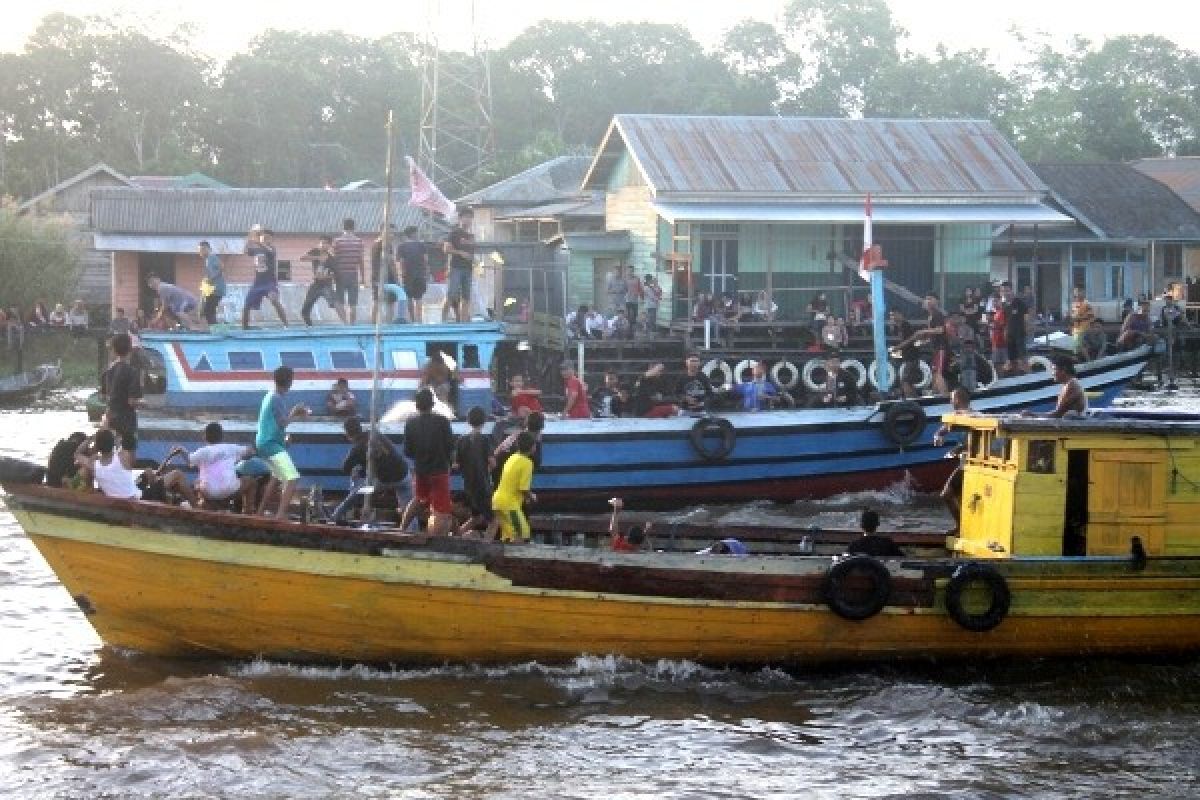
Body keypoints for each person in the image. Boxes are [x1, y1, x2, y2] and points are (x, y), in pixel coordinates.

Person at [331, 416, 410, 525]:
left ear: (348, 434)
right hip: (404, 475)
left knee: (357, 491)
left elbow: (345, 468)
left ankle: (336, 515)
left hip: (383, 481)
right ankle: (412, 530)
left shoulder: (357, 448)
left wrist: (357, 471)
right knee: (408, 510)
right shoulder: (374, 433)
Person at [255, 366, 311, 518]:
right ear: (289, 382)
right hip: (270, 444)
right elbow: (282, 423)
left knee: (276, 477)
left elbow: (273, 424)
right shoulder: (276, 398)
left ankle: (259, 513)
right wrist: (295, 412)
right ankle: (279, 516)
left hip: (265, 442)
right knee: (293, 478)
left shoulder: (270, 395)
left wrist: (284, 438)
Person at [161, 422, 256, 510]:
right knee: (251, 482)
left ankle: (204, 506)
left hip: (209, 493)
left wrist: (182, 450)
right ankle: (248, 512)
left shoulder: (203, 451)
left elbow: (189, 461)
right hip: (230, 491)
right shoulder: (231, 447)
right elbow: (250, 452)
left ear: (205, 437)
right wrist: (254, 449)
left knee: (197, 483)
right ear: (222, 436)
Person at [401, 387, 455, 536]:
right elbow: (450, 447)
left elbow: (408, 451)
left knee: (419, 499)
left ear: (417, 405)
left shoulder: (410, 423)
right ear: (432, 404)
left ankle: (402, 528)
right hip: (440, 471)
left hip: (421, 470)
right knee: (441, 509)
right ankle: (435, 539)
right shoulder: (442, 421)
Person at [933, 388, 972, 533]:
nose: (950, 402)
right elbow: (944, 429)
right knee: (960, 497)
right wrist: (938, 436)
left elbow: (976, 441)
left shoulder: (973, 417)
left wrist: (959, 448)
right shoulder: (957, 416)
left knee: (947, 494)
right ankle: (963, 526)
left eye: (951, 399)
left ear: (957, 400)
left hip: (970, 464)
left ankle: (961, 526)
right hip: (964, 463)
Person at [897, 294, 949, 395]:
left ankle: (945, 398)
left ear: (936, 301)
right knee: (935, 374)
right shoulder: (930, 316)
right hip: (936, 348)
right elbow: (932, 335)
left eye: (930, 298)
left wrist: (922, 332)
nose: (928, 301)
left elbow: (940, 330)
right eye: (926, 299)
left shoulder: (937, 314)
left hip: (941, 348)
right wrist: (922, 341)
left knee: (938, 374)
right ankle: (936, 395)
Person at [453, 406, 493, 535]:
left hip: (468, 485)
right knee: (494, 519)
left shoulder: (461, 440)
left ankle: (456, 535)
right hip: (483, 485)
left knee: (476, 517)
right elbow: (492, 462)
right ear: (484, 421)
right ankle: (487, 545)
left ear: (468, 421)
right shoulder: (485, 440)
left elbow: (456, 465)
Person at [491, 431, 536, 543]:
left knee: (508, 536)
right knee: (522, 534)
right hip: (509, 504)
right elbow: (523, 488)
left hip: (497, 501)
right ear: (532, 447)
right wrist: (532, 496)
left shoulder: (512, 457)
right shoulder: (527, 463)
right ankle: (518, 560)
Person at [242, 227, 288, 328]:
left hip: (269, 282)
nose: (265, 239)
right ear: (260, 237)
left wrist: (258, 241)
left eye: (268, 238)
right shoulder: (256, 250)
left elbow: (269, 250)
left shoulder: (271, 249)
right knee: (247, 305)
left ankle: (286, 325)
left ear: (271, 240)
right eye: (264, 237)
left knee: (274, 300)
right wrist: (249, 239)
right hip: (257, 282)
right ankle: (245, 328)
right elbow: (245, 251)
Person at [74, 429, 140, 499]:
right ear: (113, 443)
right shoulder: (124, 456)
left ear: (97, 447)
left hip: (113, 505)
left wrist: (90, 439)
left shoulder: (93, 465)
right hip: (133, 502)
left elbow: (77, 453)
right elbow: (129, 446)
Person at [101, 332, 142, 444]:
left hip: (111, 419)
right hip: (126, 422)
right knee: (127, 454)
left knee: (112, 452)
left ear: (114, 349)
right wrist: (143, 404)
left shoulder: (107, 371)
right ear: (130, 350)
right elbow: (132, 401)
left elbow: (105, 397)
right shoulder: (132, 372)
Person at [442, 208, 475, 323]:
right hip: (456, 267)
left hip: (468, 268)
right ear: (460, 218)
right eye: (466, 217)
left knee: (466, 297)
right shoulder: (454, 233)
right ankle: (443, 321)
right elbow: (446, 249)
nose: (469, 220)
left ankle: (463, 322)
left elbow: (472, 252)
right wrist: (460, 253)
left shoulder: (471, 236)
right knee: (451, 295)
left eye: (470, 217)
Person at [300, 234, 341, 326]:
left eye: (326, 243)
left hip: (326, 284)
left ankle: (345, 323)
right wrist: (317, 258)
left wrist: (327, 276)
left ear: (329, 245)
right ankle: (309, 326)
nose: (323, 245)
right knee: (305, 310)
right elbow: (302, 258)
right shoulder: (315, 252)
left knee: (334, 303)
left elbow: (335, 274)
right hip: (315, 285)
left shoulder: (331, 259)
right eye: (321, 243)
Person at [370, 225, 407, 325]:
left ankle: (374, 324)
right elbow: (391, 263)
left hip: (376, 276)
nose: (392, 235)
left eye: (393, 233)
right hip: (385, 276)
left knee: (378, 301)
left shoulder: (375, 244)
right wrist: (397, 279)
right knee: (387, 302)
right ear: (382, 231)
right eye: (390, 232)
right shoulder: (384, 244)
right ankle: (388, 324)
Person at [333, 218, 366, 324]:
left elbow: (334, 259)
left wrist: (333, 275)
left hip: (340, 275)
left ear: (343, 227)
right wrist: (363, 278)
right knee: (353, 303)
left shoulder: (337, 241)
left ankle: (345, 324)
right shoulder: (359, 241)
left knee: (340, 301)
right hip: (353, 274)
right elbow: (360, 260)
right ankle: (352, 325)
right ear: (354, 227)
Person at [887, 310, 921, 398]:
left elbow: (910, 340)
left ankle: (911, 401)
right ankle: (915, 400)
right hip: (910, 357)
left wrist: (897, 348)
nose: (892, 317)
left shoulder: (905, 325)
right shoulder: (900, 327)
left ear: (900, 315)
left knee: (905, 381)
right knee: (909, 382)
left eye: (894, 314)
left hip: (912, 358)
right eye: (891, 316)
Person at [397, 225, 428, 323]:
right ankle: (419, 320)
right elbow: (425, 260)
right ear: (413, 234)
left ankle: (413, 319)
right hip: (420, 274)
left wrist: (402, 273)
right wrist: (426, 272)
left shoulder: (401, 246)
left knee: (409, 297)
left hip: (408, 275)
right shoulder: (421, 245)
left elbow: (401, 261)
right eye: (416, 232)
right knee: (418, 298)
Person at [1000, 281, 1028, 375]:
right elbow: (1004, 320)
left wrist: (1027, 329)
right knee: (1012, 359)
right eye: (1003, 291)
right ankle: (1016, 378)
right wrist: (1005, 331)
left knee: (1022, 358)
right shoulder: (1004, 305)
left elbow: (1026, 318)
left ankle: (1028, 377)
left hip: (1020, 334)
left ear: (1012, 291)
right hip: (1009, 335)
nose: (1005, 293)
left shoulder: (1019, 303)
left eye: (1007, 291)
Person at [198, 240, 226, 325]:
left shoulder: (211, 257)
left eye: (202, 249)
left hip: (216, 289)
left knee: (208, 311)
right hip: (212, 289)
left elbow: (221, 267)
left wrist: (211, 279)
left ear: (208, 249)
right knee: (209, 311)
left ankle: (214, 329)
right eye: (199, 250)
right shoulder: (208, 260)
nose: (200, 252)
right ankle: (213, 328)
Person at [1069, 288, 1096, 359]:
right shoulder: (1074, 304)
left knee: (1079, 346)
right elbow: (1073, 316)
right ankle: (1080, 360)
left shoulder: (1087, 304)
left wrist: (1079, 318)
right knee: (1077, 346)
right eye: (1075, 293)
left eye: (1078, 292)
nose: (1076, 295)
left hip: (1084, 329)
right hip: (1075, 329)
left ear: (1082, 293)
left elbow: (1091, 316)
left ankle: (1087, 360)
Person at [624, 265, 642, 333]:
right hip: (627, 300)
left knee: (635, 316)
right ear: (627, 271)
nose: (630, 272)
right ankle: (628, 332)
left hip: (635, 300)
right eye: (629, 270)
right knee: (628, 316)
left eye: (631, 270)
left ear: (633, 271)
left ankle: (633, 333)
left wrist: (640, 296)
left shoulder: (637, 278)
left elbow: (639, 288)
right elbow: (624, 289)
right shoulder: (625, 279)